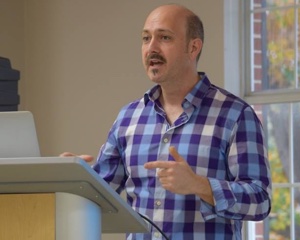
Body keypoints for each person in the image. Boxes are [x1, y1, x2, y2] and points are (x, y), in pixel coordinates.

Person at [62, 3, 271, 240]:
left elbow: (260, 201)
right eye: (145, 38)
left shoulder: (235, 114)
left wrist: (199, 185)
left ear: (193, 47)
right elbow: (101, 194)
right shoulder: (129, 117)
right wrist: (73, 176)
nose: (151, 48)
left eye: (164, 37)